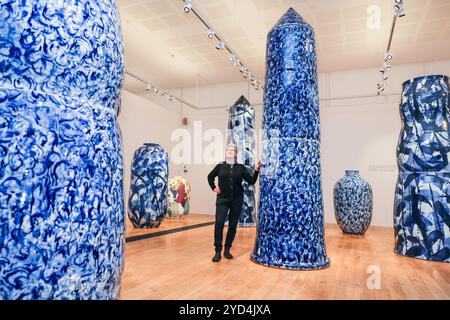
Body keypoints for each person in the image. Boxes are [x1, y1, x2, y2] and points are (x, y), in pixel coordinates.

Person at [207, 144, 260, 262]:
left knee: (232, 225)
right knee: (219, 223)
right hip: (222, 199)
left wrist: (256, 170)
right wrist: (214, 187)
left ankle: (227, 249)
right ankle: (217, 251)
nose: (230, 151)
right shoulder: (220, 166)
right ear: (226, 153)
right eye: (228, 150)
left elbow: (251, 181)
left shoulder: (240, 168)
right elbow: (210, 177)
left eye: (233, 150)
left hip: (237, 199)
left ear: (236, 154)